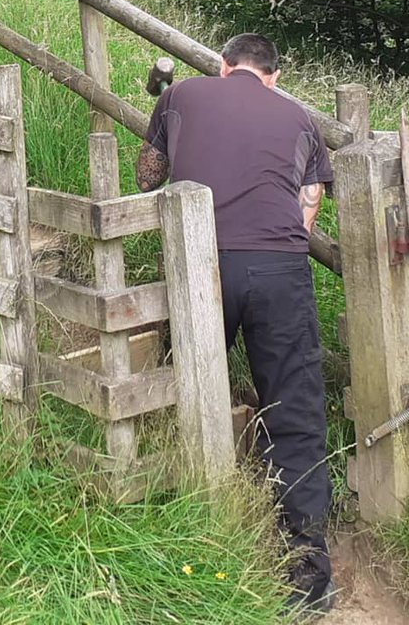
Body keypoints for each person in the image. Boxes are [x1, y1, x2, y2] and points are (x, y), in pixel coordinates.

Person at [135, 33, 336, 616]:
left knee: (185, 378)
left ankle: (179, 505)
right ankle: (306, 570)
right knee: (294, 404)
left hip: (205, 260)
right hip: (280, 265)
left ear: (224, 66)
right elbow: (310, 196)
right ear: (273, 75)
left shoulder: (181, 96)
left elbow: (149, 178)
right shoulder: (299, 116)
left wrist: (166, 130)